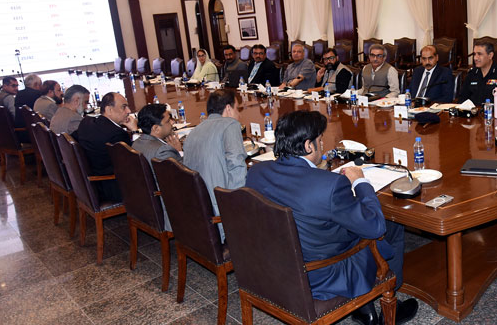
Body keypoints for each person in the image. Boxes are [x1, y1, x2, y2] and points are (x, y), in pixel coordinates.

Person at [245, 110, 418, 325]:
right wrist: (360, 182)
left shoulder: (256, 173)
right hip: (320, 275)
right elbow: (375, 227)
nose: (323, 143)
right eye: (320, 139)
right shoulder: (329, 185)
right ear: (309, 146)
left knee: (339, 223)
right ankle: (388, 301)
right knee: (391, 225)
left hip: (275, 266)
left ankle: (365, 308)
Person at [183, 89, 247, 241]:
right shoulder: (230, 124)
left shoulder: (193, 132)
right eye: (237, 109)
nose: (239, 115)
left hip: (196, 215)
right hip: (220, 218)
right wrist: (238, 208)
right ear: (228, 108)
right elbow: (236, 165)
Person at [76, 92, 138, 202]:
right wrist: (135, 131)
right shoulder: (117, 134)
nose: (128, 111)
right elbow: (137, 161)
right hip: (112, 187)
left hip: (91, 183)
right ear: (109, 110)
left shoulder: (86, 122)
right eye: (124, 107)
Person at [132, 103, 182, 233]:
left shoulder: (136, 143)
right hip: (166, 210)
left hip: (142, 205)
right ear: (156, 128)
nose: (172, 122)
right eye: (167, 121)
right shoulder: (162, 151)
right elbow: (183, 179)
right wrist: (179, 152)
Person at [458, 41, 497, 106]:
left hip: (493, 113)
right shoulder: (471, 73)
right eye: (474, 54)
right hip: (473, 113)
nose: (475, 58)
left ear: (490, 55)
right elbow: (462, 98)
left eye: (479, 54)